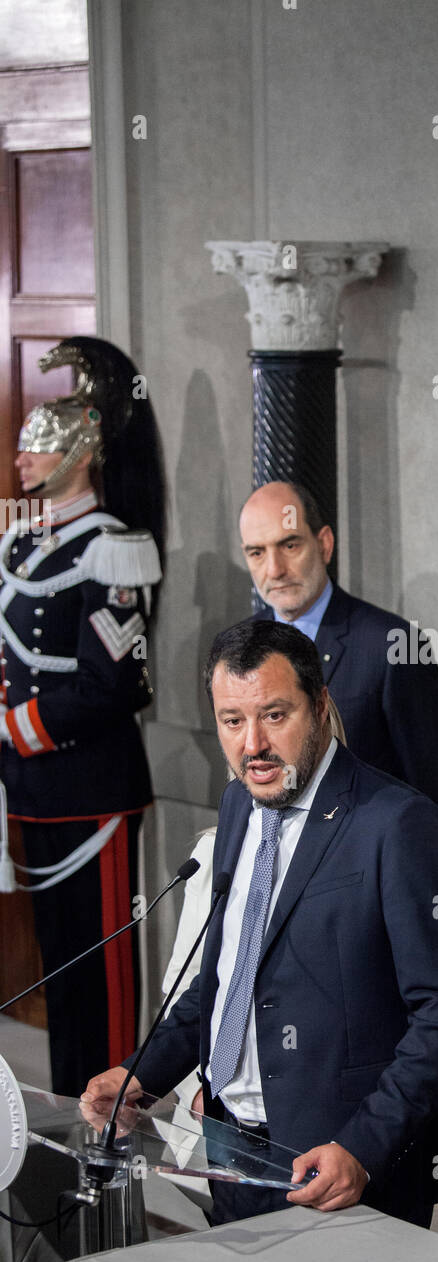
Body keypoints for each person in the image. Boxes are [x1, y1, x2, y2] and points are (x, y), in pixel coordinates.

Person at [84, 620, 438, 1228]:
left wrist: (364, 1149)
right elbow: (222, 979)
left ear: (321, 706)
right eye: (232, 720)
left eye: (274, 715)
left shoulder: (397, 824)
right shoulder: (239, 803)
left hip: (341, 1169)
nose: (252, 745)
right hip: (231, 1152)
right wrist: (143, 1074)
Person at [1, 336, 164, 1097]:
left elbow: (115, 684)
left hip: (89, 790)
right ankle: (71, 1124)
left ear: (79, 451)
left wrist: (19, 728)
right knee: (59, 973)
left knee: (100, 977)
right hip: (31, 792)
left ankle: (108, 1130)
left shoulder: (113, 549)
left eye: (38, 447)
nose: (22, 462)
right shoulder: (26, 543)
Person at [239, 480, 438, 823]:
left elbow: (436, 794)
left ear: (324, 544)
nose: (275, 570)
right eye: (257, 552)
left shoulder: (393, 646)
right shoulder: (238, 649)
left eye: (290, 545)